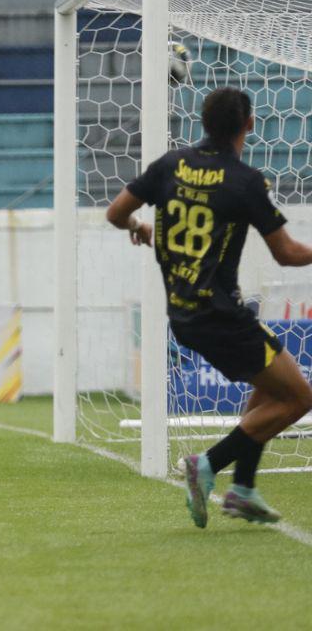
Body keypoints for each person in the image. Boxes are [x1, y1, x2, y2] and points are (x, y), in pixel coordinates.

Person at [106, 86, 312, 527]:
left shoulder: (169, 165)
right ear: (250, 124)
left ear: (203, 122)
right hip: (222, 316)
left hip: (184, 315)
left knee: (272, 389)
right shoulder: (244, 181)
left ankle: (243, 490)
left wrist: (140, 225)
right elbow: (287, 253)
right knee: (299, 397)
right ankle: (208, 466)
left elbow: (115, 212)